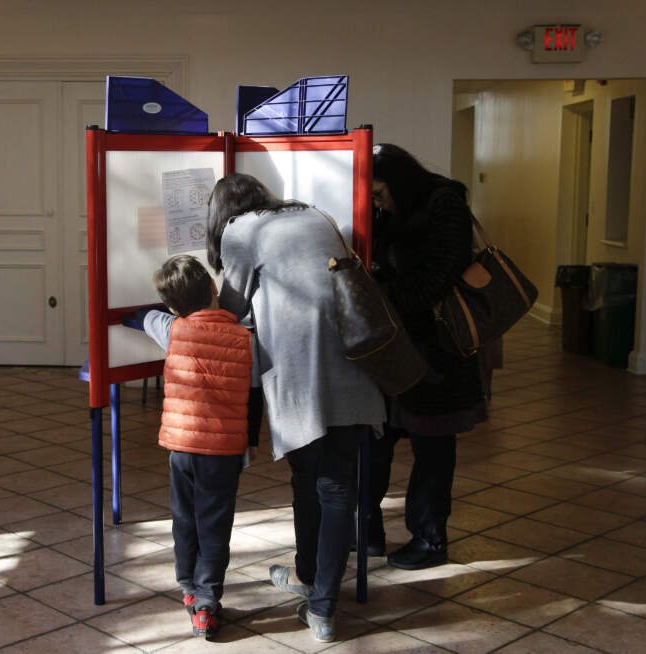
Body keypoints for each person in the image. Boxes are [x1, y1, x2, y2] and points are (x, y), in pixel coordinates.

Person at [206, 173, 386, 643]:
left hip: (302, 374)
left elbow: (230, 309)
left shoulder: (240, 232)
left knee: (315, 480)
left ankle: (322, 606)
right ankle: (312, 583)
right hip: (355, 364)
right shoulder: (311, 214)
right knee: (334, 486)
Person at [366, 143, 487, 570]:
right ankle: (369, 534)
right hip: (397, 346)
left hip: (437, 350)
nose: (377, 203)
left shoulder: (444, 203)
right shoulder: (394, 208)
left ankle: (430, 539)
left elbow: (440, 275)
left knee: (433, 448)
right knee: (375, 441)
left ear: (399, 182)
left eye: (380, 194)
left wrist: (385, 299)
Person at [127, 254, 255, 640]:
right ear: (215, 288)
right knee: (215, 524)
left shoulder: (172, 328)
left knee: (184, 519)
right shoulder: (245, 336)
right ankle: (207, 602)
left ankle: (187, 586)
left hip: (182, 448)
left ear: (171, 306)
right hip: (224, 452)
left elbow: (138, 317)